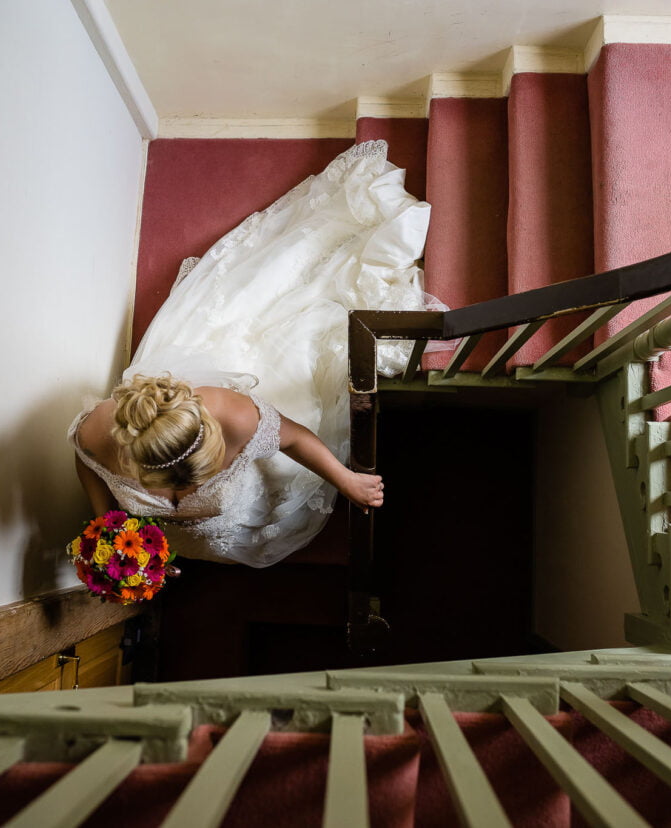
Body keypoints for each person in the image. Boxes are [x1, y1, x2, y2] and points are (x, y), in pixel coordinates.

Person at [68, 139, 438, 568]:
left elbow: (297, 438)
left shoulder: (238, 415)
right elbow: (87, 464)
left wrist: (347, 480)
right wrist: (107, 527)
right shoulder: (95, 434)